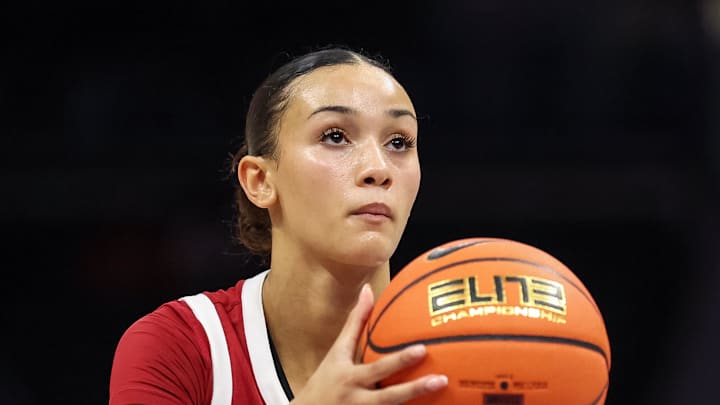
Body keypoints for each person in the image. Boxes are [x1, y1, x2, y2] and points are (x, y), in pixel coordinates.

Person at [109, 47, 448, 405]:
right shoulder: (181, 346)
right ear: (259, 181)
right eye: (335, 136)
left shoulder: (470, 339)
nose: (378, 169)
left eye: (399, 142)